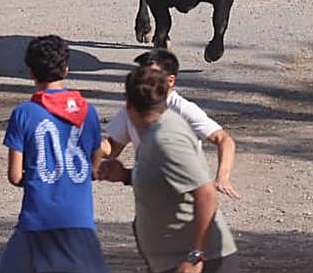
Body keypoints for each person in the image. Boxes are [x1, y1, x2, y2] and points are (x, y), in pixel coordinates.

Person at [0, 35, 116, 273]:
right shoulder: (87, 112)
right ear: (67, 67)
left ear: (30, 71)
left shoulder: (25, 113)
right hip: (78, 223)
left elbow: (16, 176)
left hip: (36, 224)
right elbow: (93, 166)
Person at [123, 64, 239, 273]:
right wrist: (123, 175)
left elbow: (205, 194)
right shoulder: (157, 132)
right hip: (173, 264)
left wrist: (195, 255)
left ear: (129, 105)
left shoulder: (166, 139)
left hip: (199, 265)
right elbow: (166, 180)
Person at [100, 48, 239, 197]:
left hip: (184, 197)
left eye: (150, 76)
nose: (142, 81)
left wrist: (222, 178)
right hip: (149, 198)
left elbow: (224, 140)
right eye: (141, 75)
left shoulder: (183, 109)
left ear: (170, 81)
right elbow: (112, 147)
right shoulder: (134, 107)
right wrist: (79, 145)